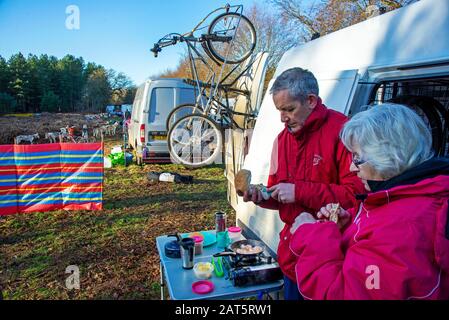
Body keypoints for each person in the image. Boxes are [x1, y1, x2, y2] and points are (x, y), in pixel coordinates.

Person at [290, 103, 449, 299]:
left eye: (357, 157)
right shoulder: (405, 198)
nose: (351, 167)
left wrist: (311, 235)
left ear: (390, 156)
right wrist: (347, 229)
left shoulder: (401, 229)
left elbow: (341, 294)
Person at [243, 67, 365, 299]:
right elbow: (279, 195)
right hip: (292, 256)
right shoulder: (281, 140)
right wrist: (262, 196)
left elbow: (356, 195)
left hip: (332, 258)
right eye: (280, 110)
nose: (282, 118)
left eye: (289, 109)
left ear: (311, 100)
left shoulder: (343, 132)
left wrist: (300, 191)